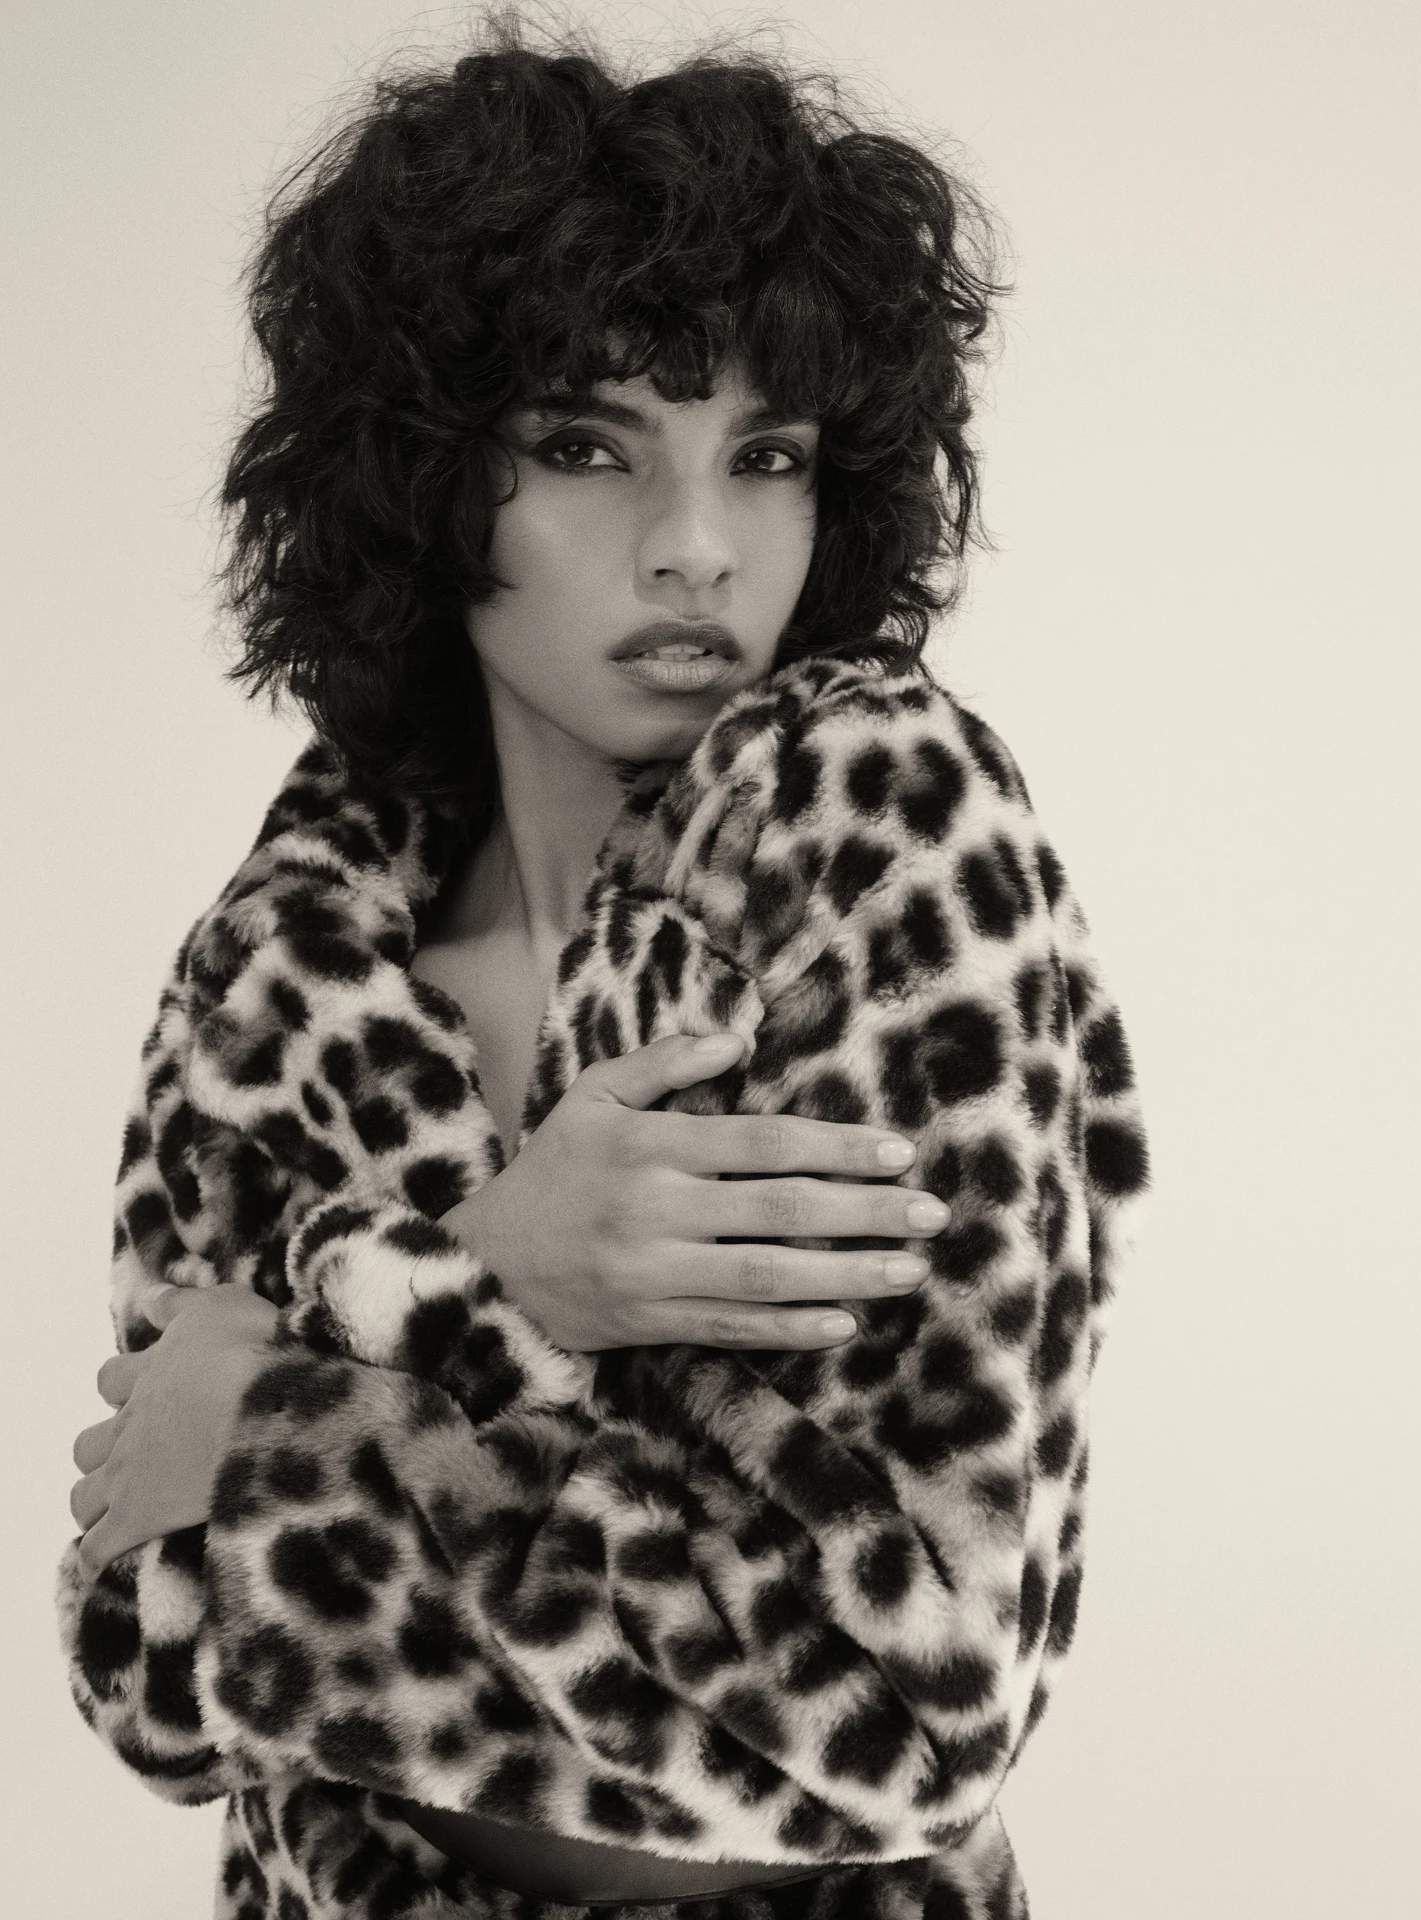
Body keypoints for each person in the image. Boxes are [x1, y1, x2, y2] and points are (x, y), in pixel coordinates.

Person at [60, 22, 1148, 1920]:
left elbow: (904, 1720)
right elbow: (148, 1677)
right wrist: (501, 1269)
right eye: (585, 447)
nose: (697, 551)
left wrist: (287, 1425)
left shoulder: (881, 837)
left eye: (768, 458)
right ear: (427, 480)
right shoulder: (279, 967)